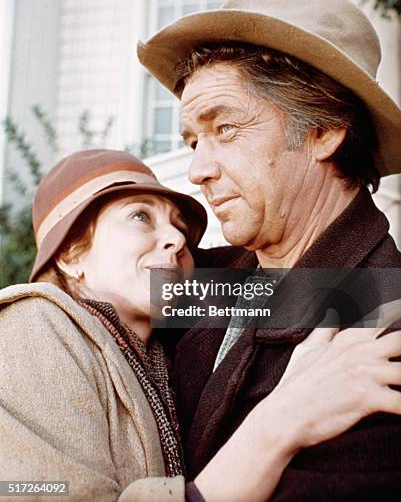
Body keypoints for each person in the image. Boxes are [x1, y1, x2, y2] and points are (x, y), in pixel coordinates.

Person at [1, 148, 401, 502]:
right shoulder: (36, 324)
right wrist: (281, 420)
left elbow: (335, 285)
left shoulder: (163, 342)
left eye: (179, 227)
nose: (175, 238)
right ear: (72, 255)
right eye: (140, 216)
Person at [137, 0, 401, 498]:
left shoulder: (383, 330)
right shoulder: (223, 277)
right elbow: (105, 304)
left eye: (226, 129)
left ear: (324, 130)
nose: (197, 170)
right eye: (194, 140)